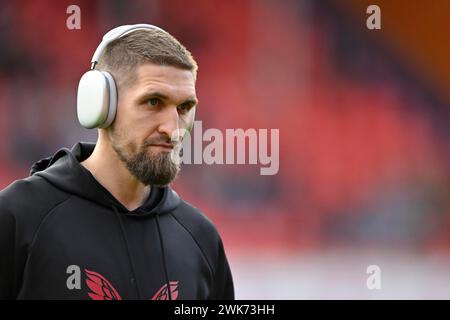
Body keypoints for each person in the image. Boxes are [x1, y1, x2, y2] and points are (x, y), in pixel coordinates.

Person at [0, 24, 234, 300]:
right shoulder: (17, 217)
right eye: (153, 102)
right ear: (100, 105)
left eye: (184, 108)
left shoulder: (202, 240)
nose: (174, 128)